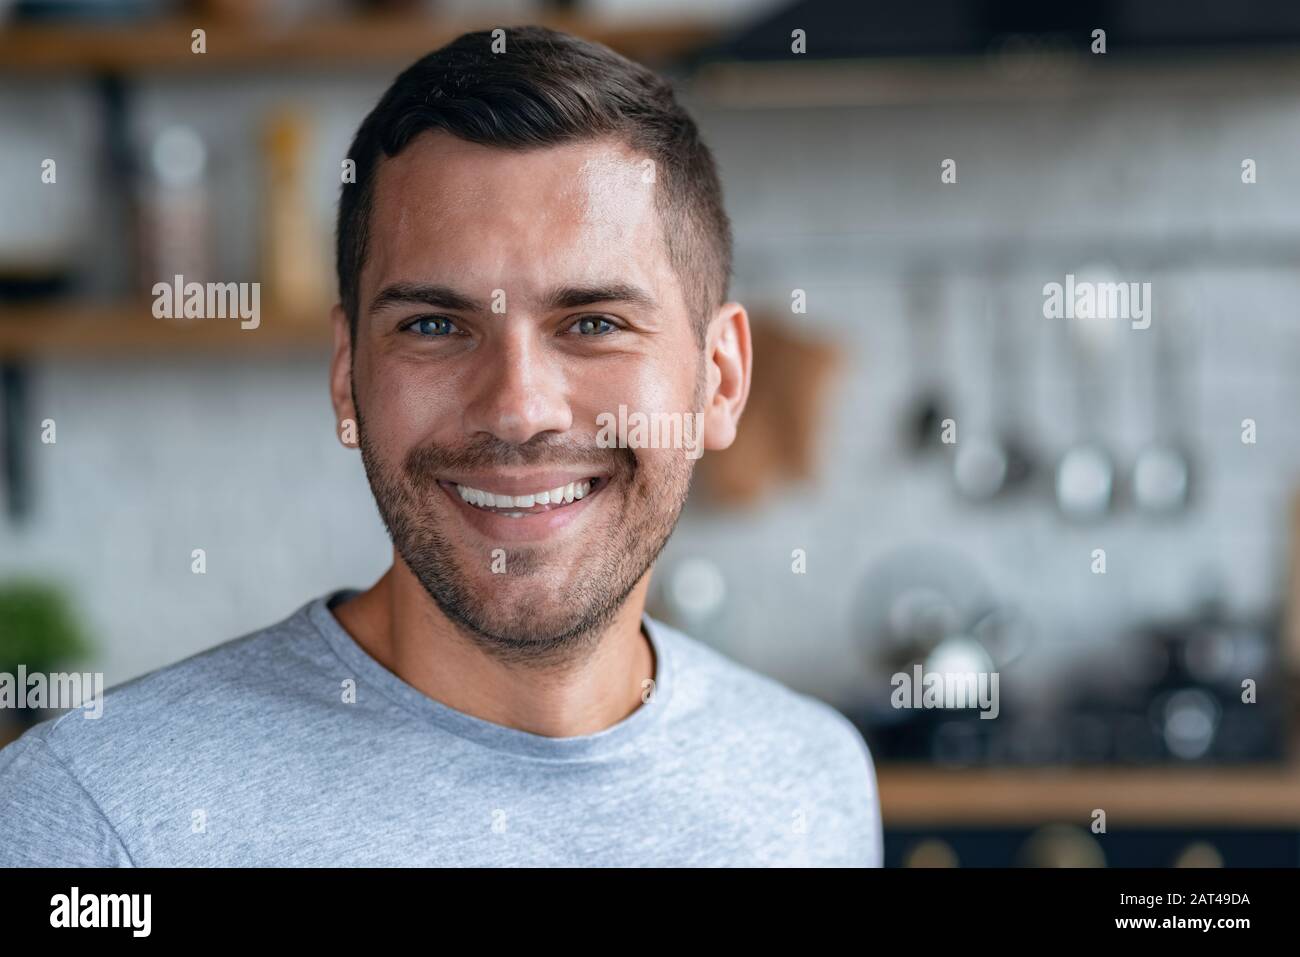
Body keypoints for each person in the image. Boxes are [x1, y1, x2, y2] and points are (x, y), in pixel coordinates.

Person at [0, 26, 880, 867]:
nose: (518, 408)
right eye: (433, 323)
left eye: (594, 321)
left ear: (719, 380)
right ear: (348, 378)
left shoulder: (810, 780)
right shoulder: (97, 816)